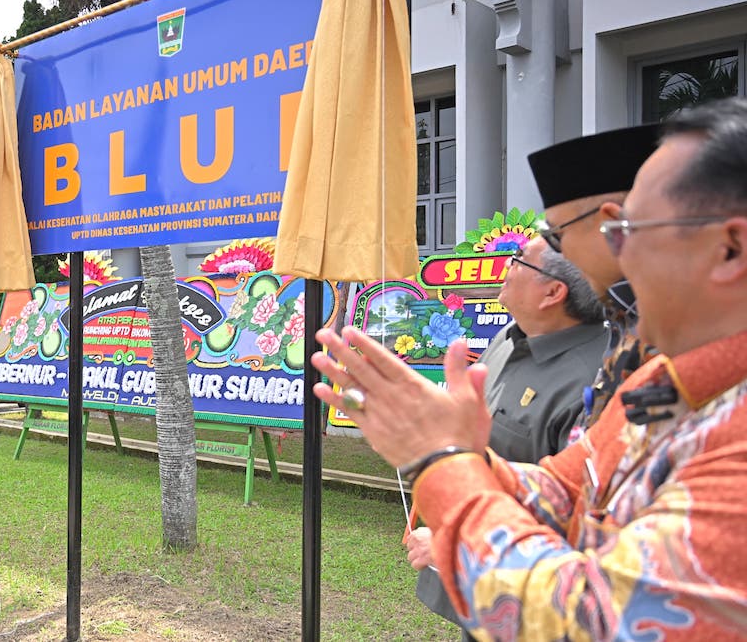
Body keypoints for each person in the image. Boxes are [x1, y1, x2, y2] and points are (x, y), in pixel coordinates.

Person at [314, 97, 747, 639]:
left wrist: (442, 462)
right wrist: (453, 452)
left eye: (629, 230)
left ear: (730, 248)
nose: (618, 261)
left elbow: (587, 623)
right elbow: (566, 489)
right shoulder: (664, 386)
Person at [407, 239, 607, 636]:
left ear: (553, 293)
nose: (505, 266)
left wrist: (458, 542)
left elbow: (576, 516)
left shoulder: (596, 382)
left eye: (519, 262)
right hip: (483, 591)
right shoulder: (509, 338)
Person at [528, 125, 660, 432]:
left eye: (557, 235)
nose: (560, 255)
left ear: (613, 224)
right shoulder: (622, 314)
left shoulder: (674, 332)